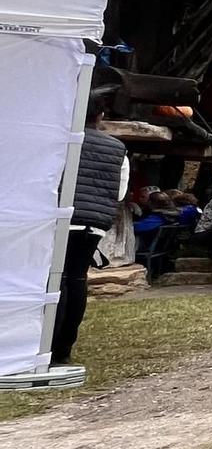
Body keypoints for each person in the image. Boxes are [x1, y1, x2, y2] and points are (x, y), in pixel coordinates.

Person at [51, 116, 128, 366]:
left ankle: (47, 344)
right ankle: (64, 348)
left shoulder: (61, 140)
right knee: (76, 279)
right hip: (94, 223)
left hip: (60, 216)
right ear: (101, 117)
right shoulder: (118, 149)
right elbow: (119, 193)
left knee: (55, 279)